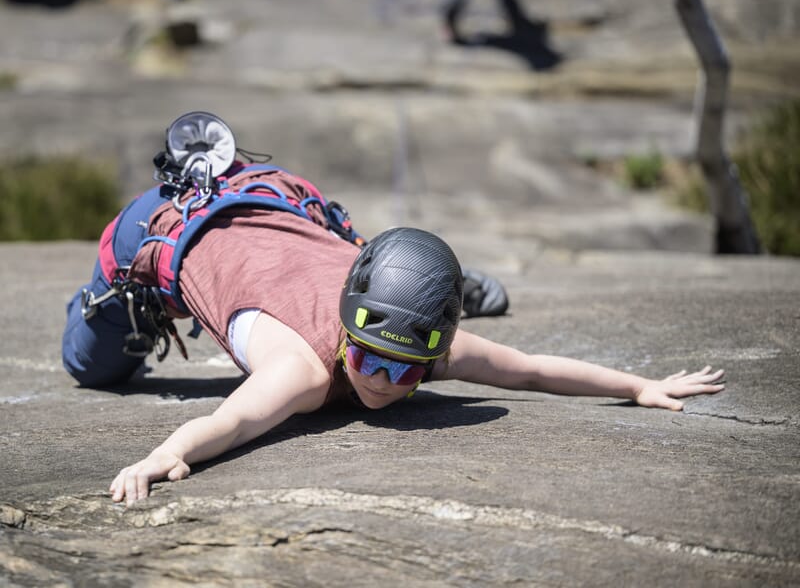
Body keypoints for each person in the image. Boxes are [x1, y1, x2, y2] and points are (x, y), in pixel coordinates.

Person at [61, 113, 725, 506]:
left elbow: (526, 371)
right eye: (366, 354)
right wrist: (161, 456)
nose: (379, 379)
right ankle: (111, 303)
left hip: (282, 211)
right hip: (167, 223)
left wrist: (640, 387)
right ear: (348, 329)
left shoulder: (422, 347)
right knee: (89, 366)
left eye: (404, 367)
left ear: (430, 354)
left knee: (383, 267)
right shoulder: (303, 370)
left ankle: (451, 282)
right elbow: (230, 423)